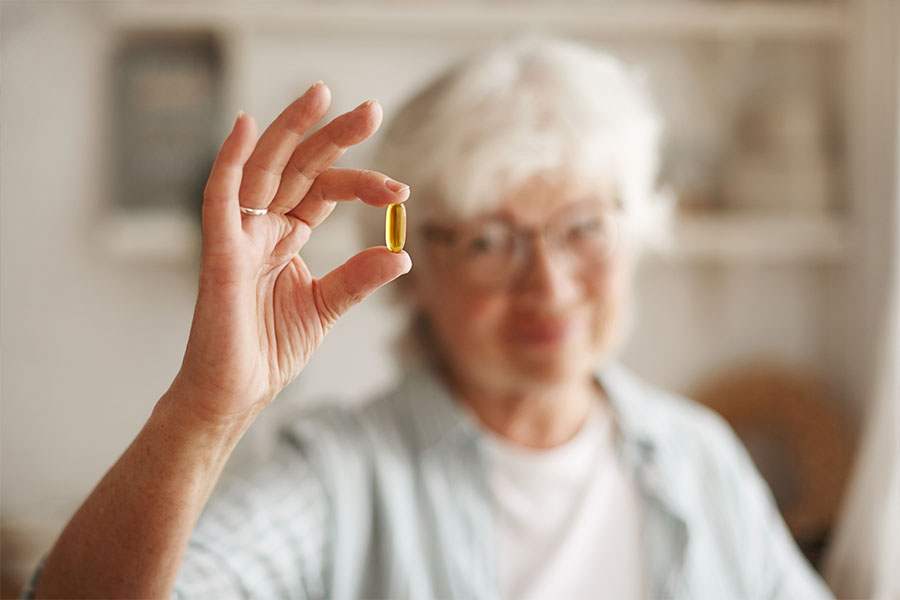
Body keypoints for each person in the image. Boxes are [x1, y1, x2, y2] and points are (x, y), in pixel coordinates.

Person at [24, 37, 832, 599]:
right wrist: (206, 411)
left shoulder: (698, 459)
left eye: (582, 228)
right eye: (488, 241)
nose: (547, 283)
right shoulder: (336, 475)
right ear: (416, 272)